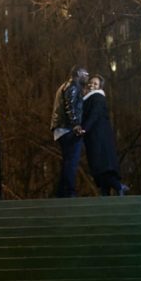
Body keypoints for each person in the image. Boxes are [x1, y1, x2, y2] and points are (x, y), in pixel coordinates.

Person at [82, 74, 128, 196]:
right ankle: (106, 191)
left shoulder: (97, 97)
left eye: (95, 84)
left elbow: (94, 114)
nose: (92, 85)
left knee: (101, 164)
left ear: (99, 87)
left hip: (98, 137)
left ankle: (118, 186)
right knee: (100, 165)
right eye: (90, 82)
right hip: (95, 135)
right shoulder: (89, 98)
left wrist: (84, 128)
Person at [50, 65, 89, 197]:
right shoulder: (72, 86)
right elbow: (70, 107)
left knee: (68, 161)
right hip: (67, 129)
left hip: (62, 129)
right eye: (85, 74)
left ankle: (62, 192)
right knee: (72, 161)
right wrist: (76, 125)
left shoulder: (67, 86)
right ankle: (70, 192)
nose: (87, 77)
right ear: (78, 74)